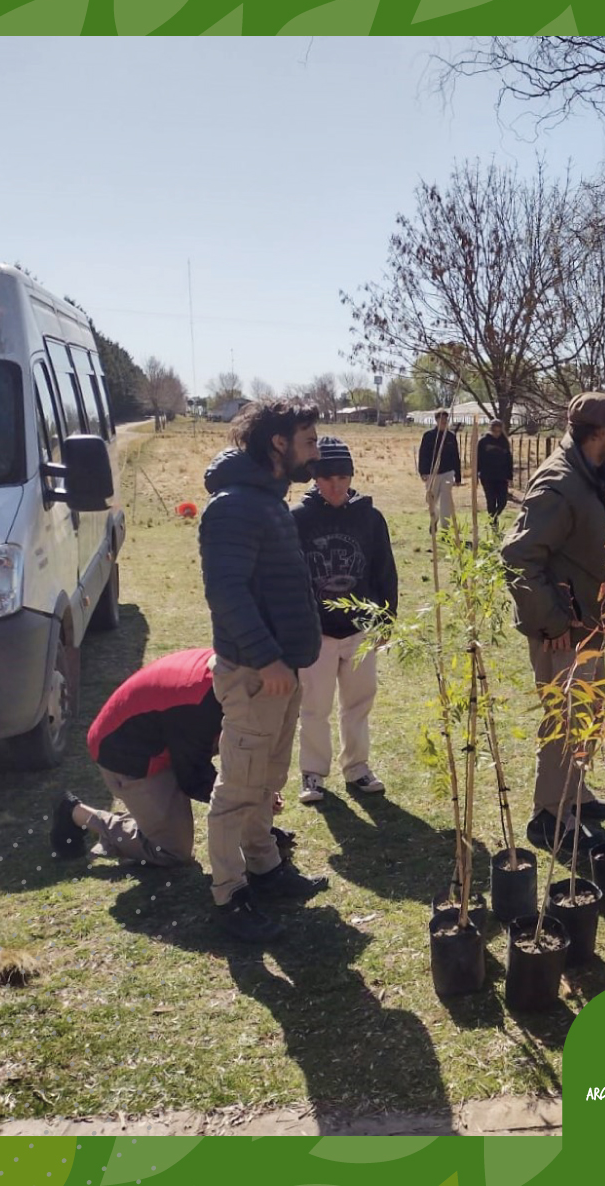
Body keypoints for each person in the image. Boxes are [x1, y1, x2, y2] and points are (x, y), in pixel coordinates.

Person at [198, 400, 329, 942]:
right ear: (278, 443)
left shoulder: (269, 501)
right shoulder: (233, 507)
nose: (316, 449)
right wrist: (267, 658)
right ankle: (229, 895)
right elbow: (225, 592)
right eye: (308, 438)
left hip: (282, 671)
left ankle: (265, 867)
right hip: (256, 673)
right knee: (238, 787)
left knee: (267, 779)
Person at [501, 391, 605, 851]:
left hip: (585, 629)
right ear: (599, 433)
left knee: (587, 714)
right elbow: (518, 558)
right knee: (563, 720)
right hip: (563, 633)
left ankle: (573, 796)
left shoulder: (585, 478)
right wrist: (554, 624)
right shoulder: (560, 484)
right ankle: (548, 816)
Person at [49, 647, 296, 866]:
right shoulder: (197, 706)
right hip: (126, 754)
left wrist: (257, 807)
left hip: (166, 739)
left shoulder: (232, 669)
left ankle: (153, 818)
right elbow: (194, 777)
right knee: (172, 850)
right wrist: (251, 802)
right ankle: (78, 814)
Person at [291, 435, 398, 804]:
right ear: (314, 479)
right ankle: (313, 774)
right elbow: (288, 577)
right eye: (327, 477)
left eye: (343, 477)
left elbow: (385, 570)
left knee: (358, 702)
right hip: (315, 632)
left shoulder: (370, 518)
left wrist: (387, 618)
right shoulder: (298, 520)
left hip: (360, 628)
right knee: (314, 706)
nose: (336, 485)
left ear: (352, 476)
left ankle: (357, 766)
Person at [418, 409, 462, 534]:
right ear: (436, 420)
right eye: (441, 419)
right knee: (431, 500)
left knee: (446, 500)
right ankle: (434, 518)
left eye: (445, 420)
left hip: (447, 473)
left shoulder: (451, 437)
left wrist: (458, 477)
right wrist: (423, 472)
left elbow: (455, 457)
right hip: (432, 473)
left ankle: (446, 528)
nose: (443, 422)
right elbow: (423, 454)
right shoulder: (429, 436)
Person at [477, 419, 516, 527]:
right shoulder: (483, 442)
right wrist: (477, 473)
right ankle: (493, 524)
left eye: (499, 431)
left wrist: (510, 476)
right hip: (487, 476)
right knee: (491, 501)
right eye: (495, 431)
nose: (497, 433)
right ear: (490, 429)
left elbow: (509, 459)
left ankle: (494, 516)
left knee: (502, 501)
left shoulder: (504, 442)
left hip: (501, 476)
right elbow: (477, 459)